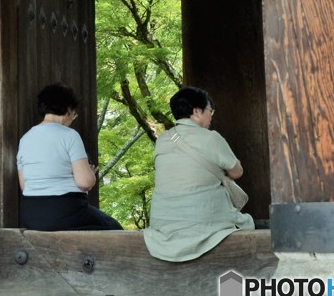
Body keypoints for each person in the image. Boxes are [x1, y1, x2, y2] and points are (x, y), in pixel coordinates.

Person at [144, 86, 254, 261]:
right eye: (210, 110)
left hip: (163, 226)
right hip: (204, 222)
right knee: (248, 223)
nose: (211, 115)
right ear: (196, 111)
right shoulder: (211, 138)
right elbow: (237, 172)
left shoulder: (163, 140)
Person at [16, 83, 122, 231]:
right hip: (65, 211)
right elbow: (85, 182)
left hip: (32, 215)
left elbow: (25, 186)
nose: (73, 117)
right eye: (74, 113)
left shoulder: (25, 139)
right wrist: (90, 174)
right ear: (68, 109)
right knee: (114, 227)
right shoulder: (69, 135)